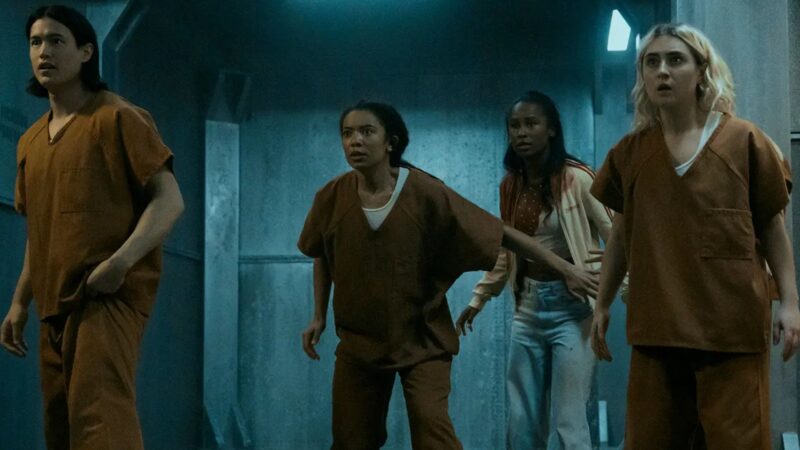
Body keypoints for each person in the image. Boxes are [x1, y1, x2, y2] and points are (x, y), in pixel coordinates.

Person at [297, 101, 598, 449]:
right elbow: (321, 251)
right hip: (359, 343)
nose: (355, 141)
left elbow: (498, 233)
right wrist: (318, 315)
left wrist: (565, 268)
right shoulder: (331, 197)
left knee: (433, 433)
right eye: (347, 133)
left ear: (390, 142)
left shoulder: (423, 192)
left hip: (422, 338)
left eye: (367, 132)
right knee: (351, 439)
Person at [589, 23, 800, 449]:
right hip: (657, 330)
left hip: (731, 331)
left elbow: (772, 228)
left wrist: (791, 304)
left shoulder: (744, 141)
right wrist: (602, 303)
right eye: (652, 62)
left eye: (675, 60)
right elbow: (622, 236)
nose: (662, 71)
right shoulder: (631, 153)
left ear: (702, 70)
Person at [0, 5, 184, 450]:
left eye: (56, 41)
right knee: (62, 429)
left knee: (102, 426)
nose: (44, 52)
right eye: (35, 42)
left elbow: (170, 201)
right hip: (52, 306)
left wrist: (120, 263)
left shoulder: (117, 117)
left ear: (85, 52)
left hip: (104, 298)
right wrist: (19, 303)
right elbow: (41, 231)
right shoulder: (30, 142)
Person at [455, 91, 611, 450]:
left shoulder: (577, 178)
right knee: (522, 423)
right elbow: (508, 249)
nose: (522, 132)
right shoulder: (511, 185)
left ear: (551, 129)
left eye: (531, 124)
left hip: (573, 310)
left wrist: (620, 293)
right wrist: (479, 298)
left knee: (569, 421)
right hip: (527, 309)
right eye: (515, 126)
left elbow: (617, 237)